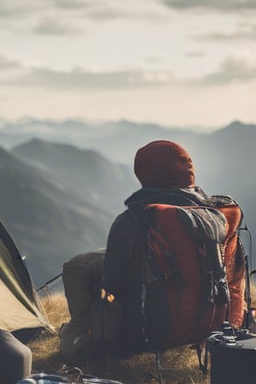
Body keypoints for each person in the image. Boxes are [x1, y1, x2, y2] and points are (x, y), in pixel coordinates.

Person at [60, 140, 244, 366]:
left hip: (145, 334)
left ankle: (78, 332)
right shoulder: (215, 214)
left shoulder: (132, 220)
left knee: (75, 267)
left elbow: (112, 284)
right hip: (209, 325)